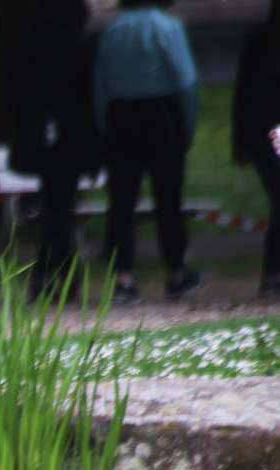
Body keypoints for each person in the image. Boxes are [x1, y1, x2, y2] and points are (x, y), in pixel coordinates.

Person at [93, 0, 202, 301]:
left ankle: (123, 279)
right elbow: (184, 80)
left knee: (122, 203)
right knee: (169, 199)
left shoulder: (113, 30)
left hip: (120, 117)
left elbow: (100, 85)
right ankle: (176, 273)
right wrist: (187, 127)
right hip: (160, 114)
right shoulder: (168, 26)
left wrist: (105, 127)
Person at [10, 0, 101, 299]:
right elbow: (92, 91)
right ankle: (46, 275)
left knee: (55, 205)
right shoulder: (83, 41)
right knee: (60, 207)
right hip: (73, 133)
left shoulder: (28, 41)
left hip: (40, 135)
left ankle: (61, 274)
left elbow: (18, 94)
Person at [233, 0, 280, 296]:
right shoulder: (258, 41)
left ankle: (272, 275)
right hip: (266, 132)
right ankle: (272, 274)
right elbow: (244, 93)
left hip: (259, 131)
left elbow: (243, 94)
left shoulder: (257, 40)